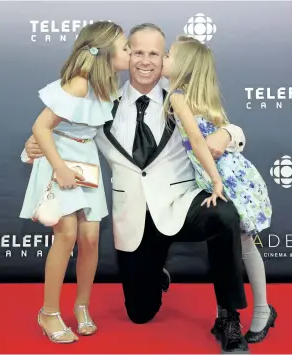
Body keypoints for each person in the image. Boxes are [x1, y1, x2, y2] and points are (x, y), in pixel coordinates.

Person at [24, 23, 249, 353]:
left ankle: (228, 316)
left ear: (165, 58)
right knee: (140, 313)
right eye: (138, 52)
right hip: (134, 218)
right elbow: (59, 129)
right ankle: (155, 271)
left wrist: (227, 136)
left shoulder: (179, 96)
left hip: (181, 204)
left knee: (225, 215)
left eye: (154, 54)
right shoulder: (102, 102)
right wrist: (30, 147)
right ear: (125, 56)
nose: (145, 61)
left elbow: (230, 126)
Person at [19, 21, 130, 344]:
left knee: (91, 238)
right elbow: (41, 127)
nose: (129, 53)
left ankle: (82, 307)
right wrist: (59, 168)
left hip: (87, 163)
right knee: (66, 235)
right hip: (59, 161)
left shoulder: (106, 86)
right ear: (105, 51)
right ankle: (49, 312)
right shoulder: (78, 84)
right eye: (124, 47)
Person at [162, 35, 277, 344]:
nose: (162, 59)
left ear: (183, 66)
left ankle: (262, 311)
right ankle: (238, 314)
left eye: (168, 55)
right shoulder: (196, 100)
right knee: (239, 245)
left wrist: (215, 181)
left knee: (244, 244)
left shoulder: (178, 97)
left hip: (227, 178)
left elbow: (201, 142)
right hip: (227, 177)